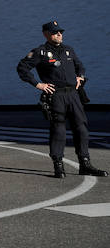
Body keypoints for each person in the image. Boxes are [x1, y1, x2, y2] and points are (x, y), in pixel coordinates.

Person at [17, 20, 107, 178]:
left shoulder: (68, 50)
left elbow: (80, 66)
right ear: (46, 34)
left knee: (81, 128)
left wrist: (80, 77)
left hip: (73, 95)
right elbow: (22, 67)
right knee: (59, 130)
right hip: (56, 95)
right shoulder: (41, 52)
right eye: (55, 32)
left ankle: (85, 164)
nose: (59, 34)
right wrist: (38, 85)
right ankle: (58, 165)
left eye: (60, 32)